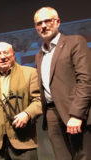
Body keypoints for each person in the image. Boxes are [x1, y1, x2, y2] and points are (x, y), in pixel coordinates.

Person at [34, 7, 91, 160]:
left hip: (74, 113)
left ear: (58, 22)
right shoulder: (39, 55)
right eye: (39, 23)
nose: (43, 26)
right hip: (52, 114)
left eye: (48, 21)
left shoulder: (75, 42)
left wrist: (77, 114)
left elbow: (85, 80)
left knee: (82, 157)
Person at [0, 42, 42, 160]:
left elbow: (39, 100)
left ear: (13, 54)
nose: (2, 57)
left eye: (6, 53)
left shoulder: (30, 73)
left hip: (24, 139)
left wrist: (27, 114)